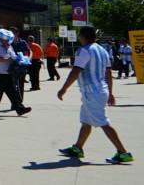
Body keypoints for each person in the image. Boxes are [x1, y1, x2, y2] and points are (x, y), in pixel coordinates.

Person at [57, 26, 134, 164]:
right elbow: (108, 73)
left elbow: (75, 71)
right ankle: (77, 148)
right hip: (100, 90)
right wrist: (110, 93)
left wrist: (64, 89)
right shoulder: (102, 50)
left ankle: (123, 152)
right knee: (86, 121)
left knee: (103, 122)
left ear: (83, 36)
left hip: (91, 93)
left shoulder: (84, 51)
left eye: (80, 35)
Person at [0, 29, 31, 116]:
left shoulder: (9, 47)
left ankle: (20, 109)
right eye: (6, 40)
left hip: (9, 73)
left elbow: (14, 57)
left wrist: (21, 59)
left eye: (9, 40)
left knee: (13, 92)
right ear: (1, 39)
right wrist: (7, 58)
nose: (8, 41)